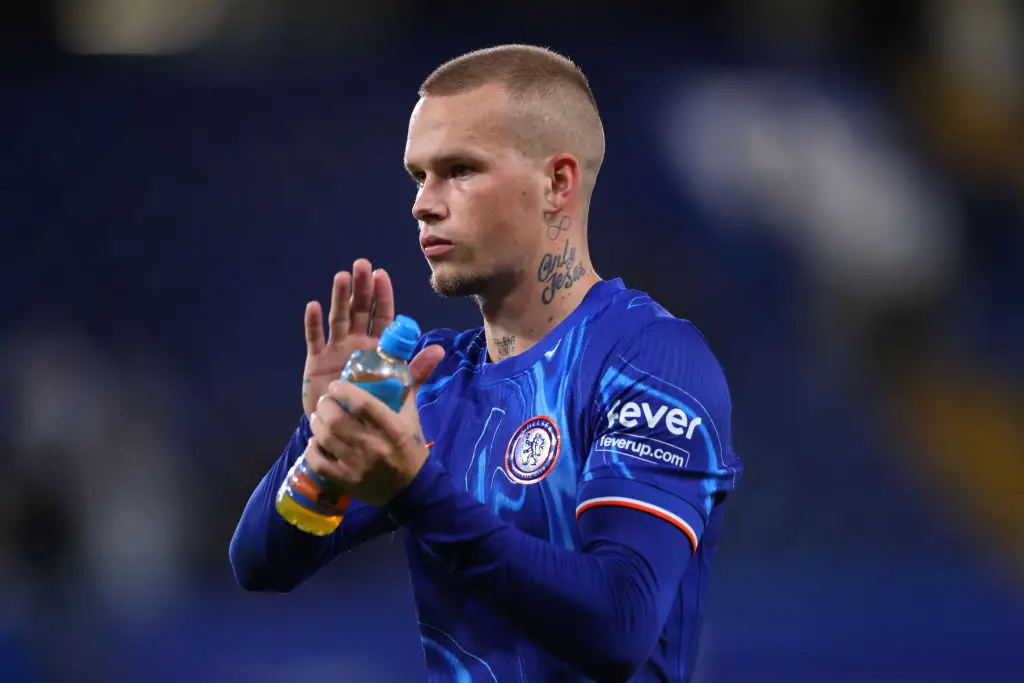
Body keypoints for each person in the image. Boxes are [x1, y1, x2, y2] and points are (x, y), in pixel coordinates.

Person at [229, 44, 743, 683]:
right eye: (419, 176)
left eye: (460, 170)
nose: (424, 204)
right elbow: (260, 564)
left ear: (557, 183)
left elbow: (619, 624)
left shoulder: (648, 358)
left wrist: (416, 493)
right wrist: (322, 440)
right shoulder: (435, 381)